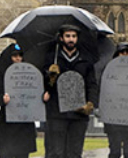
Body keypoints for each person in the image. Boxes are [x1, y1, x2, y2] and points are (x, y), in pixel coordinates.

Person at [43, 24, 99, 158]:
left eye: (73, 36)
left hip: (78, 114)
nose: (71, 39)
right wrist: (51, 76)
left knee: (75, 152)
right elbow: (46, 87)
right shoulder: (52, 58)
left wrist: (90, 103)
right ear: (61, 38)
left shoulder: (86, 60)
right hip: (57, 113)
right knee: (56, 152)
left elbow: (91, 84)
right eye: (67, 36)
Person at [0, 43, 37, 158]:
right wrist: (2, 99)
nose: (18, 58)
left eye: (20, 55)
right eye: (14, 56)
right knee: (7, 154)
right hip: (7, 124)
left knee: (23, 154)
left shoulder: (30, 75)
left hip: (24, 123)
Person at [104, 43, 128, 158]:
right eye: (122, 52)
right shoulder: (109, 72)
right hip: (113, 118)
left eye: (127, 52)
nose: (125, 55)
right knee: (114, 152)